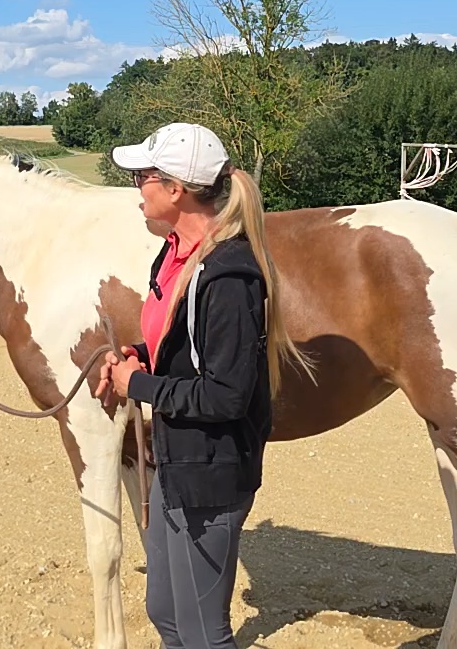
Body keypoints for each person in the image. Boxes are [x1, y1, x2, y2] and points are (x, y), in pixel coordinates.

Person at [95, 121, 307, 649]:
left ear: (176, 189)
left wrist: (138, 385)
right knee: (165, 613)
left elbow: (225, 394)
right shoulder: (175, 256)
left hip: (211, 472)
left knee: (204, 635)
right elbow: (182, 346)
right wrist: (139, 356)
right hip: (177, 460)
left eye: (143, 177)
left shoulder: (228, 276)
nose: (136, 188)